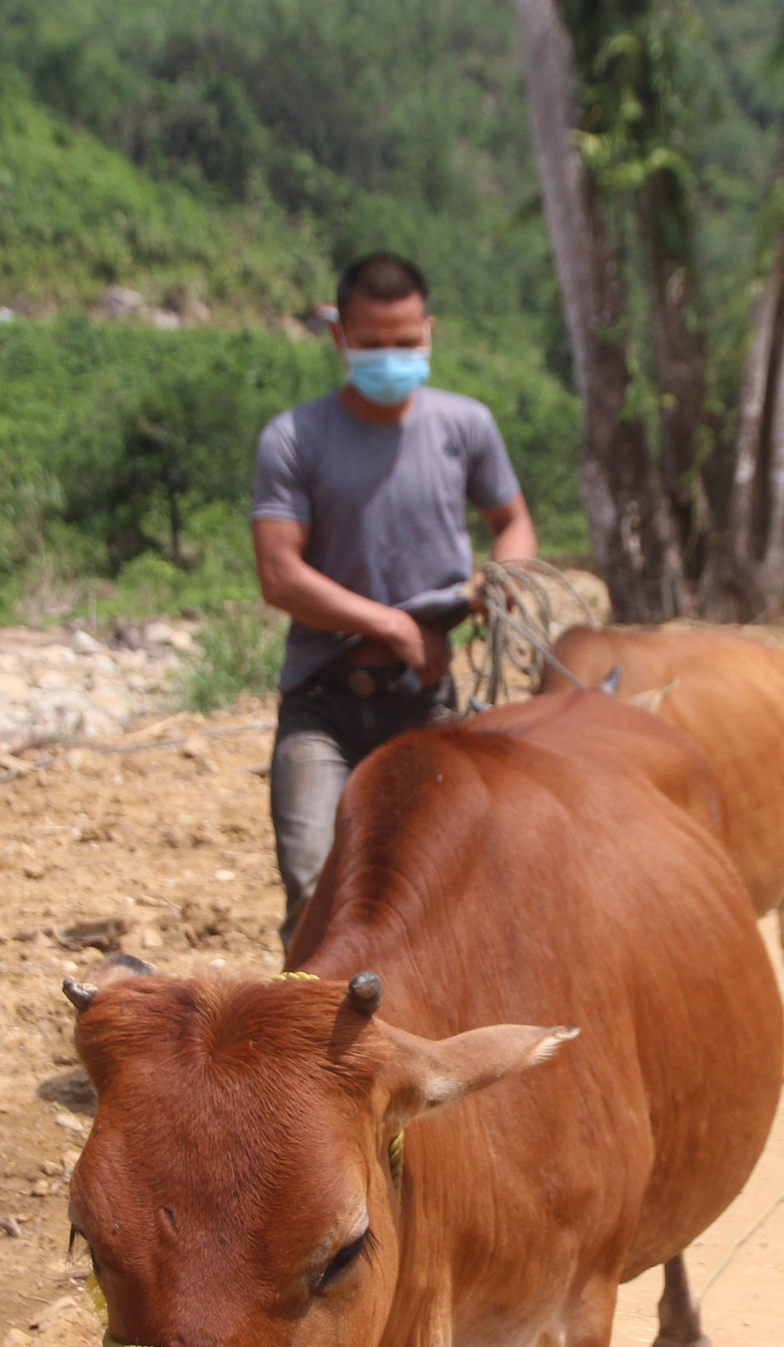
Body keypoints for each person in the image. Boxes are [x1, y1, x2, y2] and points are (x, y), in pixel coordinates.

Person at [251, 252, 538, 943]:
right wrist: (392, 623)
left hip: (424, 697)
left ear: (429, 332)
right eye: (373, 344)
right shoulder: (293, 438)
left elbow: (513, 523)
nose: (392, 356)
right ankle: (313, 1042)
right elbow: (279, 573)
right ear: (339, 338)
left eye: (406, 342)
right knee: (315, 887)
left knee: (439, 886)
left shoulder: (465, 426)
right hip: (323, 704)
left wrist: (498, 581)